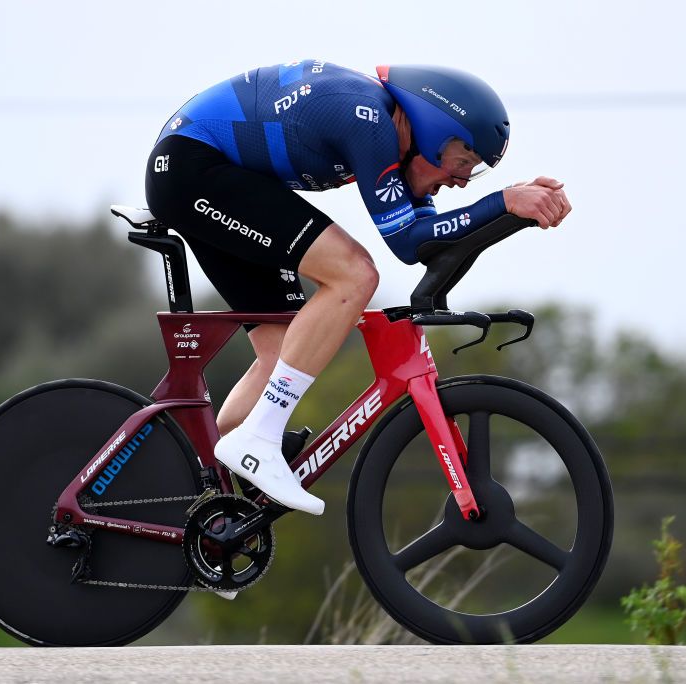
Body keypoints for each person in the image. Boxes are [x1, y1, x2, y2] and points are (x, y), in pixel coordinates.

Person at [145, 61, 571, 515]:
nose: (461, 180)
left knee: (283, 351)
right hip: (194, 168)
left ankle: (209, 505)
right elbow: (409, 244)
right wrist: (503, 201)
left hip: (204, 173)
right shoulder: (368, 121)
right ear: (432, 130)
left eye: (472, 172)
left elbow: (431, 237)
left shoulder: (395, 135)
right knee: (355, 274)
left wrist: (509, 213)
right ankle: (257, 440)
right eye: (463, 162)